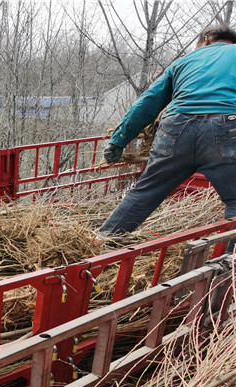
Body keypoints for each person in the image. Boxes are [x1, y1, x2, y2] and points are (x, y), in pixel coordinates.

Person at [99, 25, 236, 249]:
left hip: (174, 129)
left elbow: (148, 102)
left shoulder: (182, 62)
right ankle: (227, 274)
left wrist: (119, 139)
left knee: (144, 193)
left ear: (207, 38)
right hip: (226, 129)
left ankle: (95, 254)